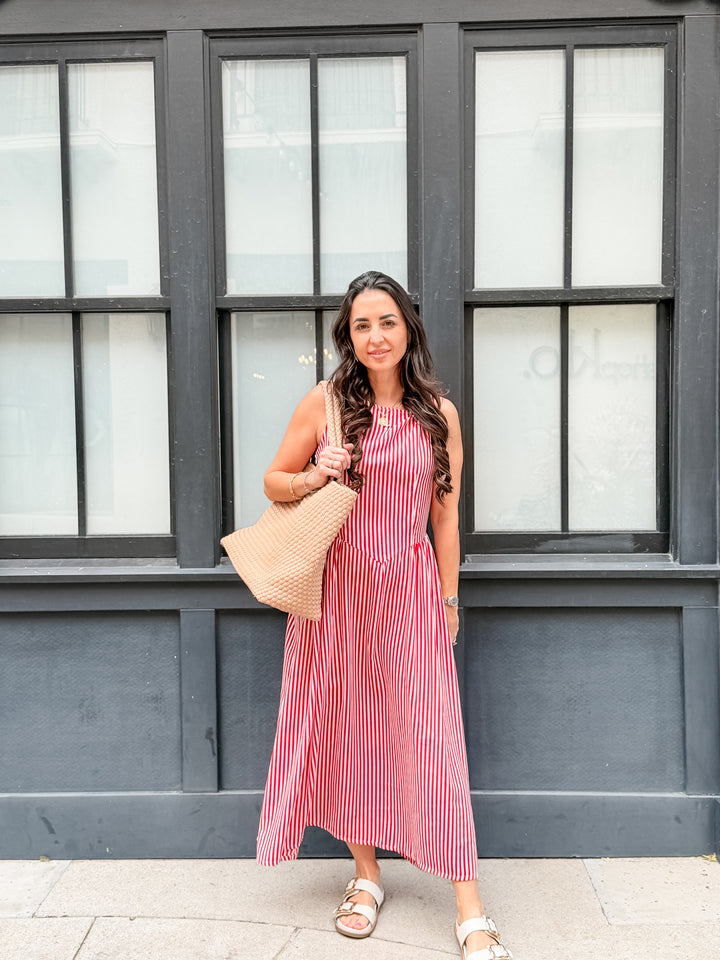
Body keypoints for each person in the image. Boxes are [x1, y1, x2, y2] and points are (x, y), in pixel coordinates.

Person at [256, 271, 512, 960]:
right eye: (362, 324)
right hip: (334, 596)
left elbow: (446, 517)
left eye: (387, 322)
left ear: (409, 330)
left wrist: (449, 598)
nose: (375, 336)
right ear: (349, 334)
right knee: (349, 730)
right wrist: (316, 472)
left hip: (409, 589)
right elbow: (274, 482)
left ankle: (468, 904)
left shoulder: (438, 413)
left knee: (433, 739)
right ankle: (366, 877)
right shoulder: (327, 403)